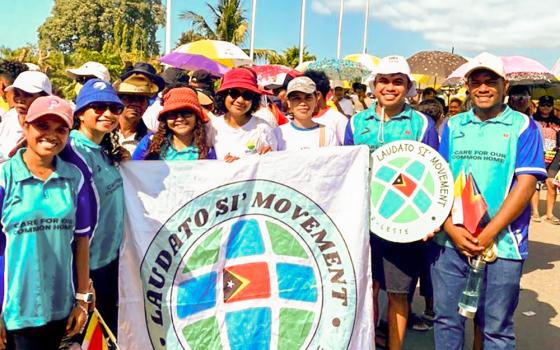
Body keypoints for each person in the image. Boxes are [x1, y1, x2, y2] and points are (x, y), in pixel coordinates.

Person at [431, 52, 546, 350]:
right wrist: (450, 227)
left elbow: (527, 184)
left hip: (503, 244)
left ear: (504, 85)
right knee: (447, 321)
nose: (482, 88)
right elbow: (438, 180)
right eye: (476, 81)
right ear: (467, 86)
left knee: (496, 329)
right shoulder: (454, 126)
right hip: (451, 242)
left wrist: (490, 231)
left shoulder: (523, 126)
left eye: (490, 81)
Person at [344, 55, 439, 350]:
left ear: (408, 87)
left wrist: (429, 219)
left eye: (398, 81)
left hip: (403, 222)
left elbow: (434, 174)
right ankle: (369, 343)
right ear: (374, 85)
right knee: (366, 290)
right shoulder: (357, 122)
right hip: (364, 222)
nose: (390, 87)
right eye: (384, 80)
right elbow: (345, 172)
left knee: (399, 294)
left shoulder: (422, 123)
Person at [0, 96, 92, 349]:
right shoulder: (4, 177)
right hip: (14, 309)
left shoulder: (75, 178)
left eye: (60, 129)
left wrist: (82, 300)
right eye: (43, 126)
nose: (51, 135)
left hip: (59, 307)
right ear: (25, 126)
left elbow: (81, 241)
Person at [60, 79, 126, 335]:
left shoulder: (102, 150)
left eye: (113, 108)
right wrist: (81, 282)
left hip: (109, 260)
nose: (107, 114)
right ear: (80, 114)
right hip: (85, 268)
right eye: (98, 107)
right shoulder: (69, 151)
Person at [207, 67, 277, 161]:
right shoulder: (213, 126)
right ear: (223, 96)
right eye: (234, 93)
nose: (240, 100)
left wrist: (269, 156)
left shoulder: (262, 128)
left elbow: (272, 163)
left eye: (247, 95)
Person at [132, 87, 215, 160]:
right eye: (172, 114)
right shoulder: (149, 143)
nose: (179, 118)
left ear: (196, 117)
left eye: (186, 113)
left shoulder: (207, 150)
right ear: (165, 119)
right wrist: (125, 159)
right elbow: (132, 170)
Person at [274, 76, 338, 151]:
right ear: (288, 102)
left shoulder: (328, 134)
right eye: (296, 98)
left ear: (316, 99)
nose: (303, 103)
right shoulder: (278, 134)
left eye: (308, 98)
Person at [0, 71, 52, 162]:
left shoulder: (55, 127)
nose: (20, 100)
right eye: (17, 94)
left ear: (44, 98)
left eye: (28, 95)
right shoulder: (8, 119)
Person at [114, 62, 164, 154]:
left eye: (141, 99)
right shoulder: (104, 133)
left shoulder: (152, 141)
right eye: (130, 98)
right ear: (119, 101)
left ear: (147, 105)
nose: (136, 103)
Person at [532, 95, 560, 224]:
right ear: (539, 106)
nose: (545, 107)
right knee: (535, 185)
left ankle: (549, 213)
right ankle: (535, 212)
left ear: (552, 106)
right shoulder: (532, 120)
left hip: (553, 156)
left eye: (548, 105)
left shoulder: (557, 121)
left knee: (551, 185)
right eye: (543, 104)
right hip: (537, 154)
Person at [304, 70, 348, 145]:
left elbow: (349, 150)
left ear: (318, 95)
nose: (301, 101)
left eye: (306, 95)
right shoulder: (300, 119)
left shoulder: (338, 120)